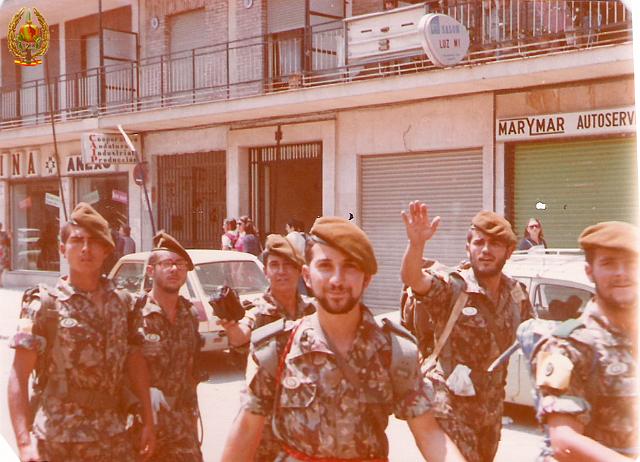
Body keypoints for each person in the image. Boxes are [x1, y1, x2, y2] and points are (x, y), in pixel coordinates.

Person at [221, 216, 466, 462]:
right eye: (325, 266)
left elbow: (430, 434)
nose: (337, 280)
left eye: (350, 267)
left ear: (366, 279)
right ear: (307, 275)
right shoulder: (277, 348)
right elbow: (245, 431)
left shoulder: (394, 351)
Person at [7, 202, 155, 462]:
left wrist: (148, 421)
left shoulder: (123, 303)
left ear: (107, 249)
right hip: (57, 441)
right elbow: (19, 375)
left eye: (94, 241)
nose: (86, 249)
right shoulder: (44, 305)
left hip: (114, 437)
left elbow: (135, 363)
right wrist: (23, 442)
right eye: (77, 240)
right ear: (63, 249)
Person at [400, 201, 532, 462]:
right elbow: (414, 279)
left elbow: (533, 335)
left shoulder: (516, 295)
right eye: (479, 242)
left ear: (509, 251)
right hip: (448, 408)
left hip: (490, 413)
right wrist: (417, 245)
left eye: (494, 244)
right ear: (468, 248)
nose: (485, 250)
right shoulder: (453, 288)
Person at [530, 221, 638, 462]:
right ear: (590, 271)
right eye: (609, 263)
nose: (621, 272)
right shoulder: (567, 346)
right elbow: (564, 441)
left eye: (630, 262)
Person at [219, 233, 316, 460]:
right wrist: (230, 326)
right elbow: (240, 335)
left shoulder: (314, 310)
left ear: (300, 270)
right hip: (267, 418)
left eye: (288, 265)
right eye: (274, 265)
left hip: (310, 415)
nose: (281, 271)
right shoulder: (257, 311)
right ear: (265, 272)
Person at [129, 231, 204, 462]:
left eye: (180, 265)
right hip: (141, 424)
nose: (175, 270)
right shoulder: (133, 312)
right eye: (168, 264)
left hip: (182, 426)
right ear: (151, 270)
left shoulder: (189, 314)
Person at [0, 222, 10, 286]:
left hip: (2, 251)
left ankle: (0, 282)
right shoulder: (4, 234)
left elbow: (8, 243)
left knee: (1, 267)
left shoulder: (4, 234)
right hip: (3, 251)